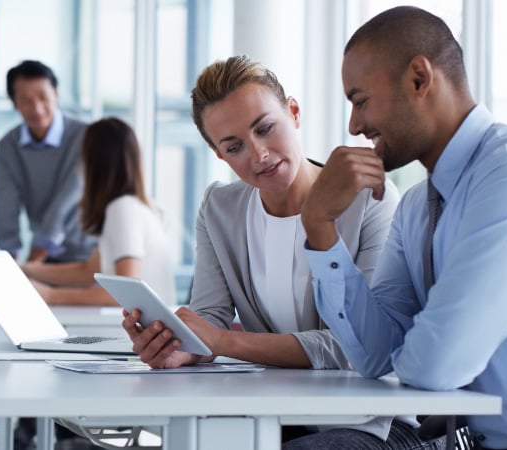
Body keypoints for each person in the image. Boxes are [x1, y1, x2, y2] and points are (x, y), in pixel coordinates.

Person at [122, 55, 440, 449]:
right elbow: (209, 316)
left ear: (293, 112)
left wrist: (221, 342)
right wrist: (182, 347)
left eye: (266, 128)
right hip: (276, 417)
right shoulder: (220, 208)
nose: (259, 155)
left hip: (372, 422)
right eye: (234, 146)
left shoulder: (369, 200)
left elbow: (354, 345)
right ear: (220, 155)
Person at [301, 6, 507, 450]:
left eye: (360, 100)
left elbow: (435, 365)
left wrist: (413, 349)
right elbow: (375, 355)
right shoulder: (416, 206)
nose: (353, 125)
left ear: (418, 79)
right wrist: (319, 224)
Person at [21, 117, 177, 306]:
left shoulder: (123, 209)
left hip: (138, 332)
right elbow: (88, 271)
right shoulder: (138, 206)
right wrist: (26, 270)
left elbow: (127, 293)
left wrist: (50, 295)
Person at [0, 59, 97, 263]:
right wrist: (7, 261)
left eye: (43, 97)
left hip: (88, 254)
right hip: (45, 256)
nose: (37, 108)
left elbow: (67, 199)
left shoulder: (86, 137)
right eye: (26, 100)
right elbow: (6, 204)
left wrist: (33, 261)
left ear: (56, 95)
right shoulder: (8, 146)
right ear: (14, 103)